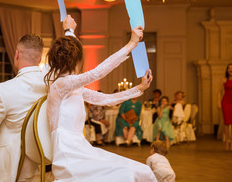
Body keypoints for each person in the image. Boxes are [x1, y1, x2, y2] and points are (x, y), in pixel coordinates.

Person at [0, 16, 76, 182]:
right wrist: (69, 31)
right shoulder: (49, 81)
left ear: (17, 54)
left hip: (11, 160)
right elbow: (66, 60)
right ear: (39, 58)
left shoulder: (3, 90)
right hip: (39, 155)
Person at [45, 25, 157, 181]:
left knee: (142, 170)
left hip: (81, 148)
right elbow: (97, 73)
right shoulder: (60, 85)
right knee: (126, 175)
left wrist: (139, 88)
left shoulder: (73, 87)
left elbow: (106, 99)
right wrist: (131, 44)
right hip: (68, 154)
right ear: (76, 60)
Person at [218, 63, 232, 151]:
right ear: (227, 70)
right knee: (226, 124)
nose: (230, 69)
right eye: (229, 68)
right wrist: (218, 102)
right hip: (226, 102)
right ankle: (226, 143)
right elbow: (219, 92)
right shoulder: (224, 79)